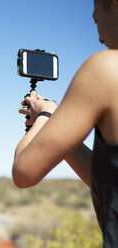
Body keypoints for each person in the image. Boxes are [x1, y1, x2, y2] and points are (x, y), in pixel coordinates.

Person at [12, 0, 118, 246]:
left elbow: (23, 172)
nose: (100, 37)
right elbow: (109, 181)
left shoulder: (106, 67)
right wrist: (59, 125)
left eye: (95, 20)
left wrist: (45, 116)